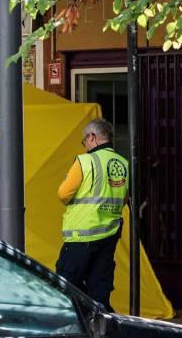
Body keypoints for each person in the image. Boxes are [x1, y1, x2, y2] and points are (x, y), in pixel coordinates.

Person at [54, 118, 128, 311]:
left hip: (82, 235)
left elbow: (63, 193)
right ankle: (103, 334)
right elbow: (124, 199)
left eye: (85, 141)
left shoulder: (85, 161)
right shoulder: (123, 163)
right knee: (99, 290)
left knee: (64, 288)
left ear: (92, 137)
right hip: (109, 235)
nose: (85, 145)